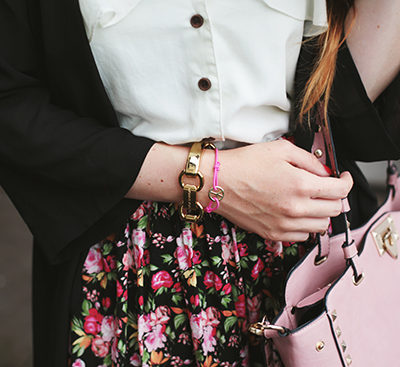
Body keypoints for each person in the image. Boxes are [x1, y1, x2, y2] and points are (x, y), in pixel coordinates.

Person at [0, 0, 399, 366]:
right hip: (128, 258)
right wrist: (205, 179)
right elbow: (13, 103)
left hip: (306, 248)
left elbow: (344, 107)